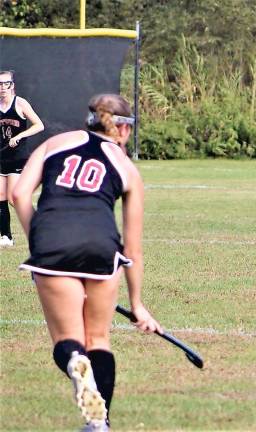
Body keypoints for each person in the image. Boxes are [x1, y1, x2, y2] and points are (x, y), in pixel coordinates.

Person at [12, 94, 161, 431]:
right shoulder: (126, 167)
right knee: (98, 339)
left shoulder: (57, 142)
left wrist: (39, 242)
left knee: (69, 341)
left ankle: (76, 362)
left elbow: (19, 194)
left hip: (52, 244)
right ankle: (99, 423)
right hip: (101, 249)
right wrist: (138, 304)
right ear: (123, 128)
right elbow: (132, 249)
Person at [0, 70, 44, 246]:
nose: (2, 87)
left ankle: (40, 227)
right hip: (1, 157)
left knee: (13, 198)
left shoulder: (20, 103)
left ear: (12, 85)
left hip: (17, 158)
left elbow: (39, 125)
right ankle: (6, 237)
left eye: (6, 84)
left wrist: (19, 137)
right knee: (0, 196)